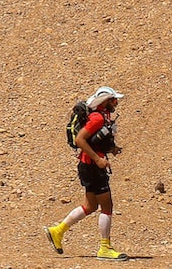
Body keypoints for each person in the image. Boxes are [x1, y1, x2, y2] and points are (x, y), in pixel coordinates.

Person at [45, 85, 127, 260]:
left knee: (90, 206)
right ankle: (105, 248)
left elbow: (92, 140)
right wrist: (98, 160)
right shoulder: (97, 118)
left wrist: (111, 149)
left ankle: (57, 231)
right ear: (105, 102)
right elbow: (80, 139)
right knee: (107, 206)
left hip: (88, 165)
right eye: (113, 100)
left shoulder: (101, 117)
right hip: (92, 166)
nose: (116, 103)